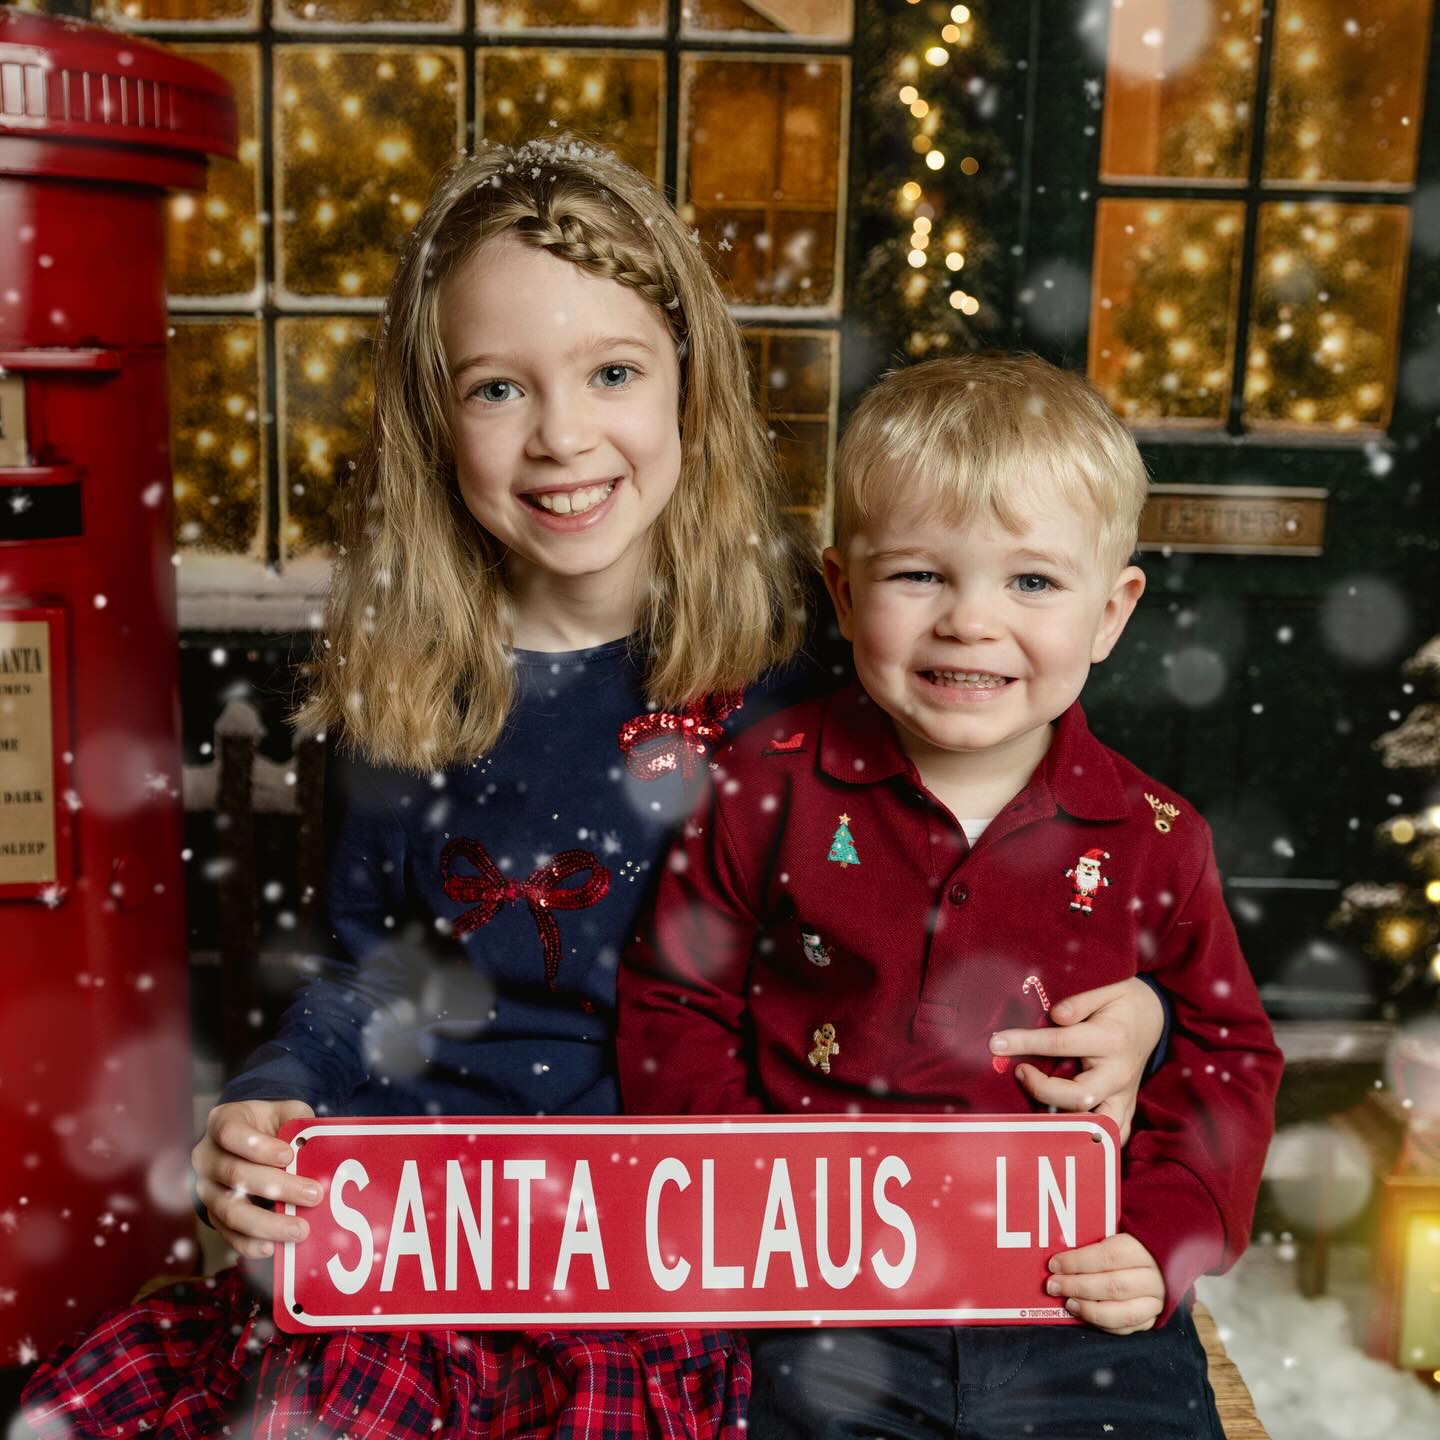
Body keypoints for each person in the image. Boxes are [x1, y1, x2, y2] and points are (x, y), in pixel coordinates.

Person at [23, 146, 1165, 1440]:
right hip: (434, 1229)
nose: (564, 437)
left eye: (613, 373)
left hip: (691, 1247)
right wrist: (272, 1097)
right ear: (433, 420)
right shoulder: (420, 682)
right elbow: (373, 977)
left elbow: (1011, 878)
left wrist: (1136, 1018)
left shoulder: (831, 648)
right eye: (499, 389)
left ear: (689, 380)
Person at [618, 353, 1284, 1439]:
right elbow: (674, 1000)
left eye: (1031, 581)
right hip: (827, 1290)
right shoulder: (763, 785)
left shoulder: (1159, 839)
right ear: (842, 589)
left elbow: (1227, 1055)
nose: (971, 622)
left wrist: (1166, 1240)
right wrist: (744, 1195)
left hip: (1070, 1292)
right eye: (920, 575)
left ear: (1111, 613)